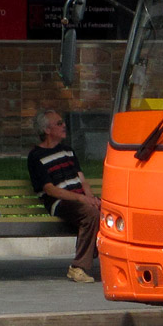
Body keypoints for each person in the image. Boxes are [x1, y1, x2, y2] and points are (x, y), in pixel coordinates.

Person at [27, 109, 100, 283]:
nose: (64, 125)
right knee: (91, 214)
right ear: (47, 130)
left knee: (112, 210)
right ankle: (77, 267)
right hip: (60, 203)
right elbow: (50, 190)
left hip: (80, 200)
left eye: (63, 122)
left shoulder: (68, 151)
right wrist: (82, 199)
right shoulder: (36, 157)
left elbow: (82, 181)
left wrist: (91, 198)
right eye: (59, 123)